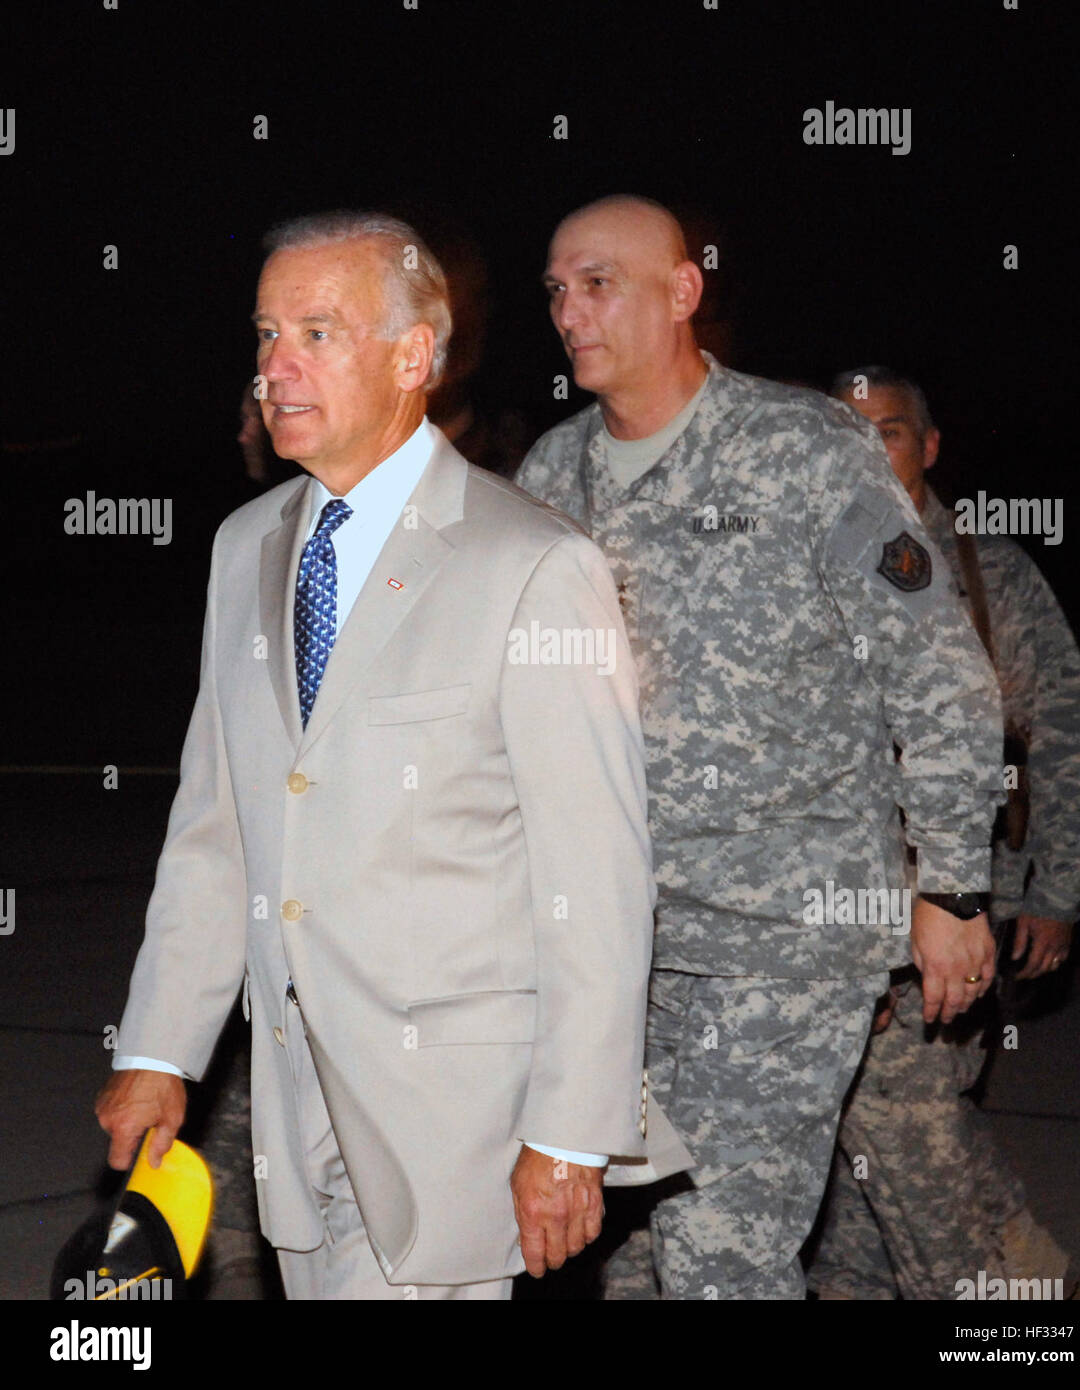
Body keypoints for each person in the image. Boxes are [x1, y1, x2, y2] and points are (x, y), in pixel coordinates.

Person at [95, 210, 688, 1300]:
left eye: (317, 333)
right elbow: (217, 828)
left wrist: (569, 1130)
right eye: (268, 333)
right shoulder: (245, 550)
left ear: (414, 357)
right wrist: (157, 1050)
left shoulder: (531, 565)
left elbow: (594, 882)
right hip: (292, 1107)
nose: (276, 366)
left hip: (456, 1128)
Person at [515, 195, 1006, 1300]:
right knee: (630, 1261)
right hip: (614, 947)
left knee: (721, 1257)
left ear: (682, 291)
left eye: (598, 282)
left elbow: (934, 671)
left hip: (786, 936)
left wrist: (954, 887)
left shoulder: (804, 451)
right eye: (554, 288)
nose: (567, 310)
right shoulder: (551, 475)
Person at [805, 366, 1080, 1299]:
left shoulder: (988, 573)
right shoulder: (799, 563)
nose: (870, 455)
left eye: (890, 434)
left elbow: (1062, 736)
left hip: (945, 927)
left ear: (931, 446)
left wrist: (1062, 889)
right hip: (818, 930)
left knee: (917, 1160)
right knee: (852, 1197)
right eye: (848, 436)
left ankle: (1009, 1305)